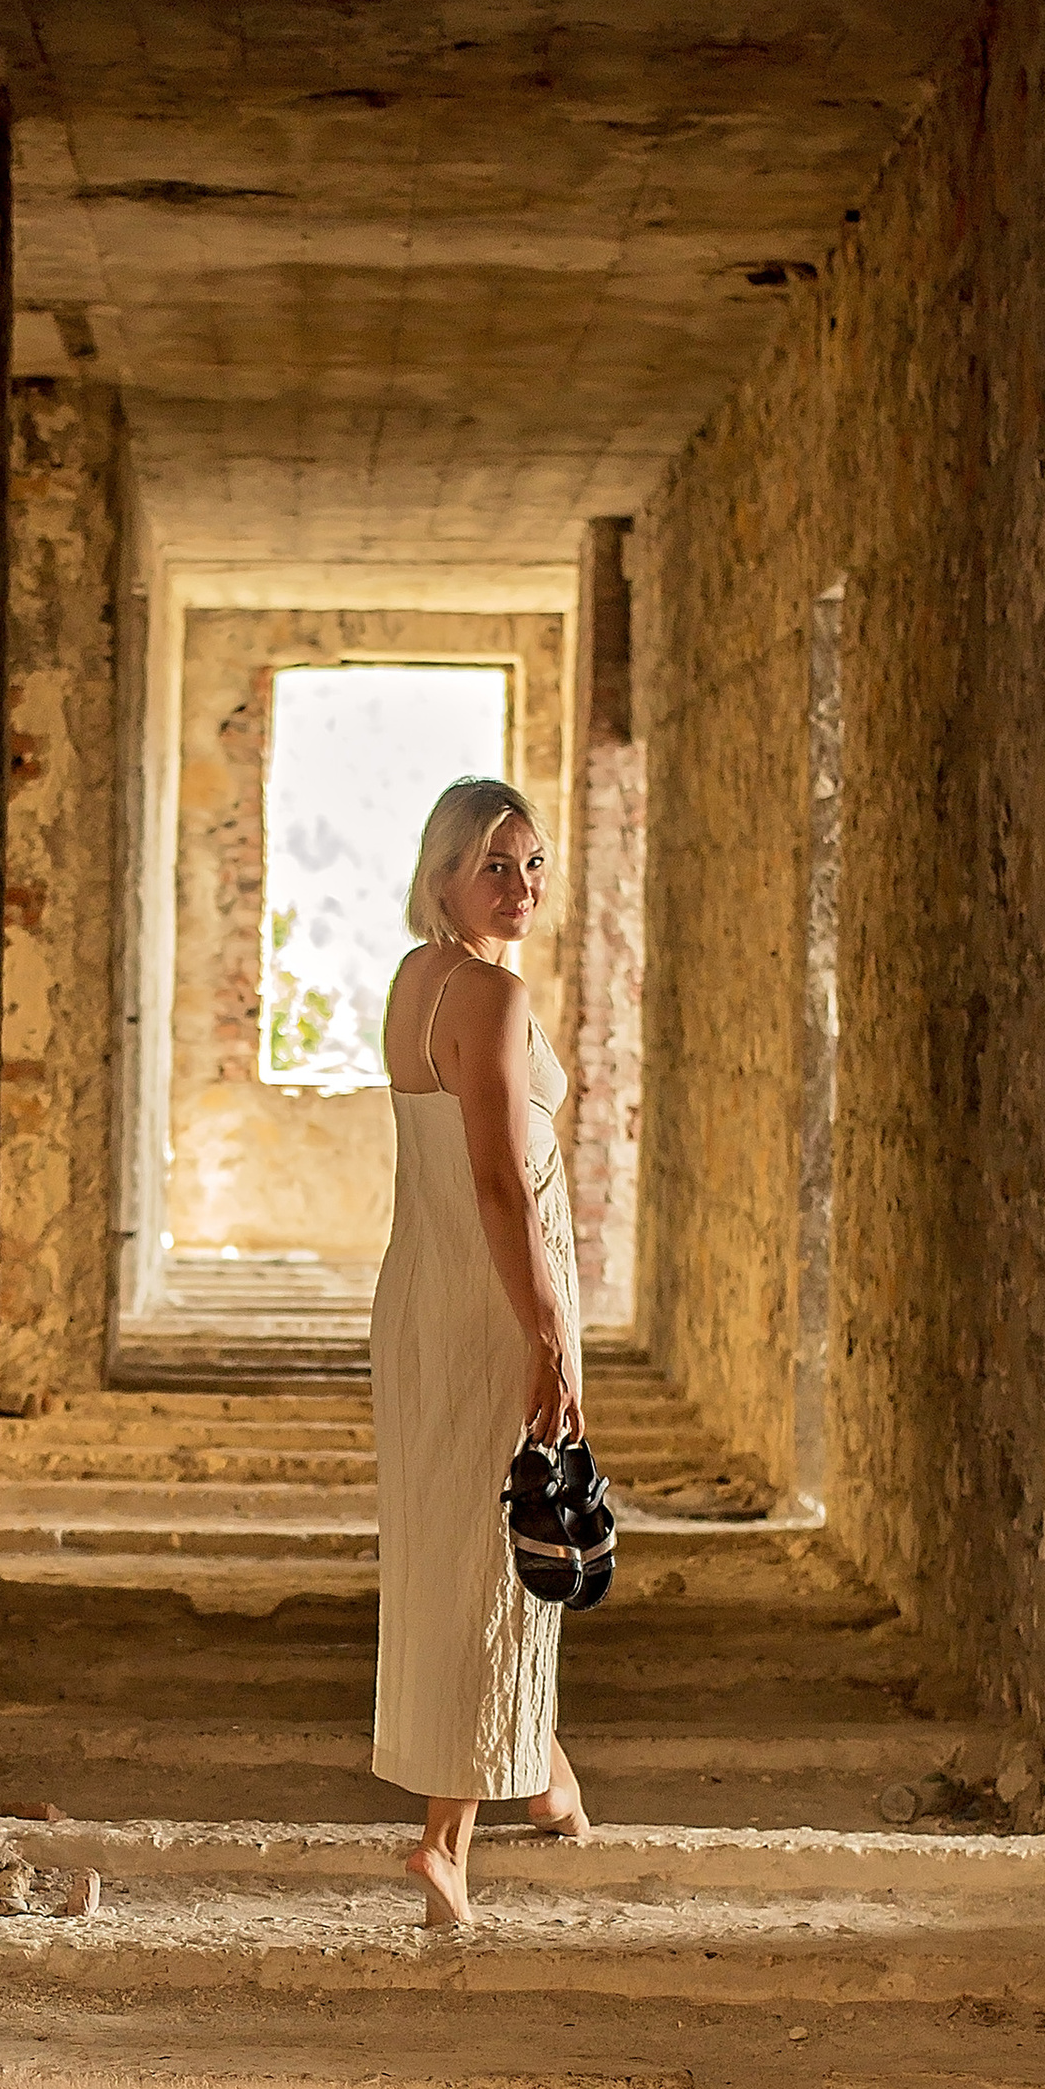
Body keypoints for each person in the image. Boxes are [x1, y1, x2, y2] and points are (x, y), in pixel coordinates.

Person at [371, 776, 593, 1926]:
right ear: (444, 874)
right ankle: (444, 1844)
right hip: (492, 1300)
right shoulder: (489, 1002)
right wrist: (548, 1330)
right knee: (496, 1551)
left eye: (534, 862)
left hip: (424, 1293)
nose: (520, 887)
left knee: (458, 1541)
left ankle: (540, 1763)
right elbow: (503, 1184)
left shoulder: (419, 981)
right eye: (494, 866)